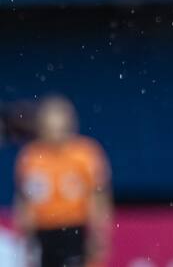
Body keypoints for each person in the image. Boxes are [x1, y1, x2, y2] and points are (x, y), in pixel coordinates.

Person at [13, 96, 112, 267]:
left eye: (60, 127)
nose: (56, 133)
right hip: (43, 232)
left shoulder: (85, 153)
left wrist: (98, 234)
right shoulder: (31, 156)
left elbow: (98, 196)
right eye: (51, 127)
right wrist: (25, 236)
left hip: (75, 230)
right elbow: (24, 200)